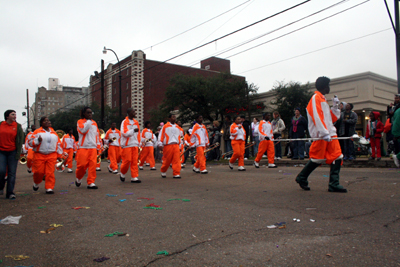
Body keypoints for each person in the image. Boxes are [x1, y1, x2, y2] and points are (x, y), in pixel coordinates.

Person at [295, 76, 347, 193]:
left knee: (337, 156)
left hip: (329, 134)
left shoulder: (322, 99)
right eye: (328, 85)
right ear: (324, 86)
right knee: (317, 158)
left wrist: (335, 107)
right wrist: (324, 133)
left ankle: (333, 183)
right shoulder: (315, 98)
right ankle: (302, 177)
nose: (329, 88)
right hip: (322, 135)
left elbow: (332, 118)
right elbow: (317, 117)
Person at [29, 117, 63, 194]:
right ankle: (36, 182)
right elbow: (30, 143)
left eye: (48, 120)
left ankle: (49, 188)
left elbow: (58, 144)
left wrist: (59, 155)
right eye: (45, 121)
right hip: (39, 154)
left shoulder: (54, 133)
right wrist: (38, 140)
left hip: (51, 155)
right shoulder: (37, 132)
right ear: (41, 123)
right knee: (39, 172)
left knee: (50, 172)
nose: (47, 122)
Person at [0, 110, 24, 199]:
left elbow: (21, 138)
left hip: (12, 152)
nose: (15, 116)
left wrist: (19, 151)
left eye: (15, 114)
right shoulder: (1, 124)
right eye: (13, 114)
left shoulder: (17, 126)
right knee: (1, 171)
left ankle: (10, 192)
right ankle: (1, 186)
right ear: (7, 116)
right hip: (1, 151)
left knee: (12, 173)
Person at [76, 107, 101, 189]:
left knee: (92, 166)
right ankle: (78, 178)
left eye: (91, 112)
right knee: (82, 166)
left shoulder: (94, 123)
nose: (90, 114)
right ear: (84, 114)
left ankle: (91, 182)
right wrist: (89, 121)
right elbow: (83, 130)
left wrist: (98, 145)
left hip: (93, 148)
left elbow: (97, 135)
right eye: (88, 113)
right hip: (83, 147)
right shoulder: (80, 122)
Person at [120, 108, 141, 183]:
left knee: (134, 161)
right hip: (127, 145)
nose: (135, 113)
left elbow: (138, 134)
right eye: (133, 112)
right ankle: (122, 173)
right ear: (129, 113)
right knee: (127, 161)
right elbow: (124, 133)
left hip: (135, 144)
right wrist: (133, 131)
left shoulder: (136, 122)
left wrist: (139, 143)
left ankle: (134, 177)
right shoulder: (124, 122)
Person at [158, 114, 183, 178]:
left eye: (175, 117)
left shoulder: (178, 127)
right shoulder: (165, 126)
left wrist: (180, 145)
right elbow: (161, 135)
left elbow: (179, 137)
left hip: (176, 145)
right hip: (168, 145)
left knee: (177, 160)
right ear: (169, 118)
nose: (174, 118)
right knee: (167, 160)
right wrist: (160, 143)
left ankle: (176, 173)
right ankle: (163, 170)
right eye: (173, 117)